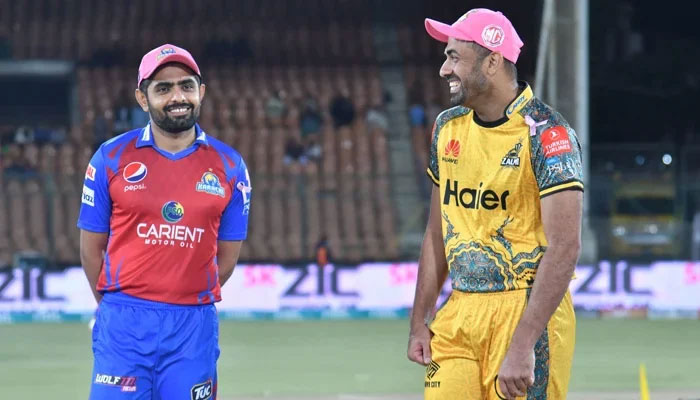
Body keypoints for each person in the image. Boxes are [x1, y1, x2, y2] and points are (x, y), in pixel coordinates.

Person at [407, 9, 583, 400]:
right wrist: (419, 322)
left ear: (492, 60)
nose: (443, 69)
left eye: (454, 57)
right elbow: (437, 231)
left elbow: (566, 247)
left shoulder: (549, 135)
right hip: (459, 313)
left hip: (525, 314)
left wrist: (523, 345)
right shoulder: (446, 127)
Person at [77, 44, 251, 399]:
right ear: (142, 99)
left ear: (201, 92)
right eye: (163, 88)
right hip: (124, 324)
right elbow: (91, 251)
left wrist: (180, 294)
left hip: (192, 326)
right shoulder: (110, 157)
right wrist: (121, 307)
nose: (177, 97)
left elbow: (227, 258)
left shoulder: (230, 166)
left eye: (186, 86)